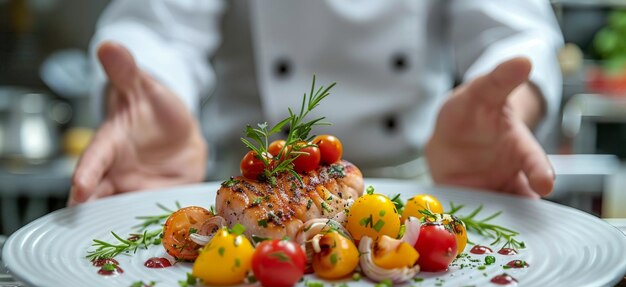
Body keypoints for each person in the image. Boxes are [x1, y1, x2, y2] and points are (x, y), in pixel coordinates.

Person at [68, 0, 563, 205]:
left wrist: (505, 108)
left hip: (422, 184)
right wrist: (140, 96)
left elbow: (515, 32)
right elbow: (157, 27)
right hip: (244, 184)